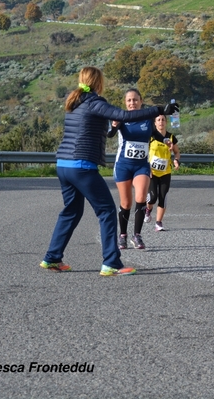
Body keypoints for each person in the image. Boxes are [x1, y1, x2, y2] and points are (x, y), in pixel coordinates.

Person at [40, 66, 179, 276]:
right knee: (106, 211)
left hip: (63, 166)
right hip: (81, 166)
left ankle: (52, 258)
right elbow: (124, 115)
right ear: (98, 83)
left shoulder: (73, 101)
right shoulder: (94, 102)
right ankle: (111, 263)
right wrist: (159, 109)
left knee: (71, 211)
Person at [107, 88, 155, 250]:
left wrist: (166, 141)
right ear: (125, 103)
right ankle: (123, 236)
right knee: (126, 203)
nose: (132, 103)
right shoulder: (120, 116)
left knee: (141, 197)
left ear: (141, 101)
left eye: (135, 100)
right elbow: (110, 134)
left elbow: (157, 134)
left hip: (141, 165)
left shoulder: (148, 118)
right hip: (123, 166)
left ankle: (137, 235)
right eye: (129, 100)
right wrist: (114, 126)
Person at [147, 113, 180, 231]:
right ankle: (148, 209)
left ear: (166, 122)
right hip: (152, 172)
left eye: (163, 120)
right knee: (152, 198)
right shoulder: (150, 136)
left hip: (165, 172)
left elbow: (177, 152)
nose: (161, 122)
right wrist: (146, 167)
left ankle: (158, 222)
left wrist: (176, 160)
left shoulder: (171, 137)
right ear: (155, 123)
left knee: (163, 196)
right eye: (158, 120)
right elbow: (144, 153)